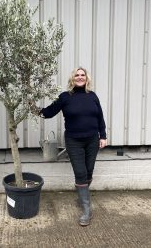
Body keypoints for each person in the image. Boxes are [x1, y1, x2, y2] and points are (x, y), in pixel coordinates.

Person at [34, 67, 107, 226]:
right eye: (77, 75)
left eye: (82, 75)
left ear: (86, 78)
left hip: (92, 140)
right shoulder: (65, 97)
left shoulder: (92, 96)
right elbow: (49, 112)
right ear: (72, 79)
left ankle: (83, 196)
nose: (80, 77)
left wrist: (103, 136)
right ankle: (87, 209)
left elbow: (100, 117)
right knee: (80, 172)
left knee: (88, 171)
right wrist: (34, 109)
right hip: (74, 141)